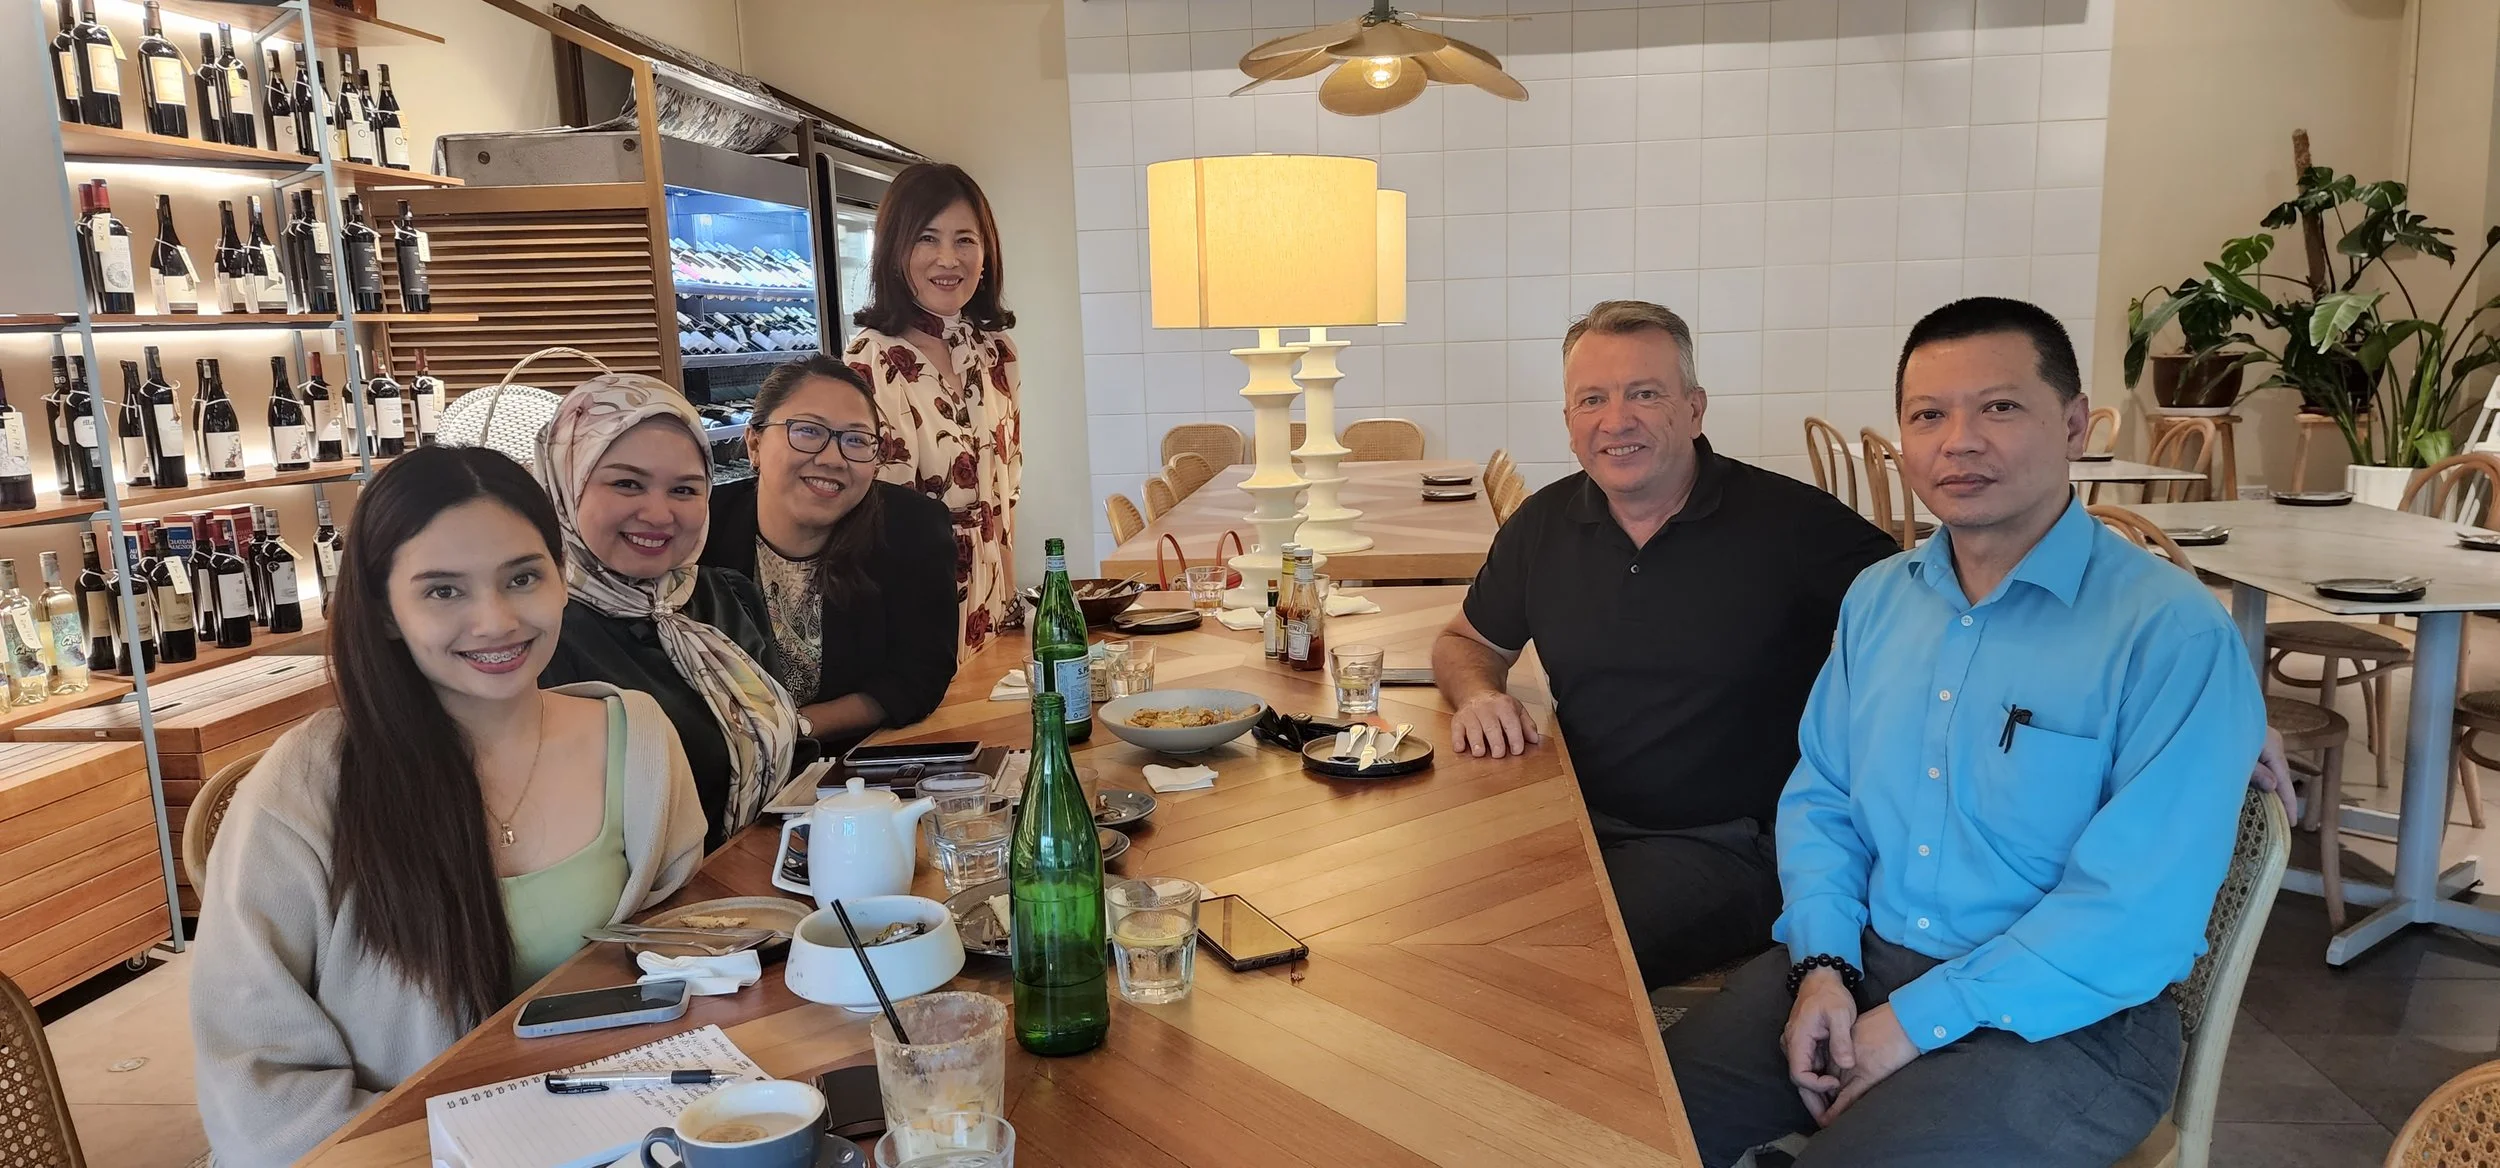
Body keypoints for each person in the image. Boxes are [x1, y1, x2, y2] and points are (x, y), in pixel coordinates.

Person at [1665, 297, 2267, 1168]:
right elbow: (1823, 797)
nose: (1961, 440)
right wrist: (1823, 964)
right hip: (1864, 961)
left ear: (2074, 425)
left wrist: (1912, 1023)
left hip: (2066, 1019)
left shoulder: (2168, 633)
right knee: (1625, 1119)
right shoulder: (1878, 600)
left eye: (2000, 407)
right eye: (1929, 415)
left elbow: (2135, 910)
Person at [189, 447, 708, 1164]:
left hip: (617, 1130)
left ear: (563, 581)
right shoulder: (305, 790)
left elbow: (688, 967)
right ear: (388, 614)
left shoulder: (637, 741)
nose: (494, 620)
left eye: (522, 577)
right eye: (442, 591)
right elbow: (253, 1092)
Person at [1432, 300, 1901, 987]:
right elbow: (1464, 640)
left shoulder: (1791, 525)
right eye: (1592, 399)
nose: (1615, 421)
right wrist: (1477, 693)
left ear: (1694, 407)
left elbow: (1930, 619)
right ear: (1568, 423)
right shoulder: (1545, 526)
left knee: (1545, 959)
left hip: (1731, 845)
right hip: (1570, 816)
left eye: (1644, 394)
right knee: (1436, 912)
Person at [534, 373, 801, 849]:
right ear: (565, 483)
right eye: (627, 483)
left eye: (684, 490)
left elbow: (793, 749)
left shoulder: (724, 596)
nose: (658, 514)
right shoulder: (541, 639)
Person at [705, 355, 961, 756]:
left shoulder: (912, 528)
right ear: (753, 442)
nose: (832, 458)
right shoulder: (701, 528)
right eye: (807, 431)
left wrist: (793, 729)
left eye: (856, 440)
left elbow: (920, 676)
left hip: (852, 768)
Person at [843, 162, 1023, 658]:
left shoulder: (995, 354)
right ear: (896, 252)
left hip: (991, 612)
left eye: (965, 240)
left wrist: (1011, 620)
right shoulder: (869, 362)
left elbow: (1005, 504)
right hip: (912, 619)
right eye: (927, 238)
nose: (949, 259)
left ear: (986, 254)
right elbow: (865, 526)